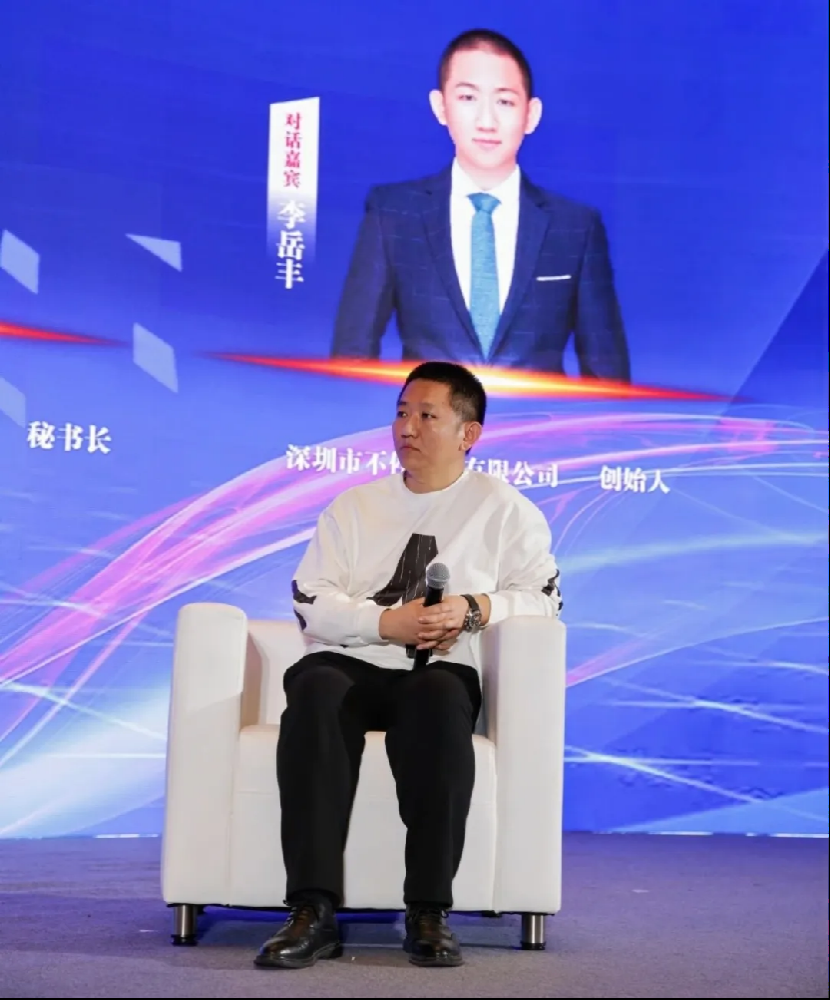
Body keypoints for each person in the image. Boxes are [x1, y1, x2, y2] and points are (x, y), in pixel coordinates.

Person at [254, 361, 562, 971]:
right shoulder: (355, 506)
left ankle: (428, 911)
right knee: (315, 689)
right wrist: (382, 623)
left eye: (426, 415)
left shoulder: (503, 508)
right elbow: (310, 598)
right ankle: (312, 910)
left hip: (439, 669)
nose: (407, 428)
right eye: (401, 413)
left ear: (468, 433)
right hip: (352, 661)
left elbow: (544, 598)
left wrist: (475, 608)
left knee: (439, 701)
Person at [330, 29, 630, 381]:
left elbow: (607, 376)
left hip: (537, 416)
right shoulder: (393, 213)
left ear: (531, 114)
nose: (487, 121)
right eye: (468, 97)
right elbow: (351, 357)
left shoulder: (576, 227)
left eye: (504, 102)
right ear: (440, 106)